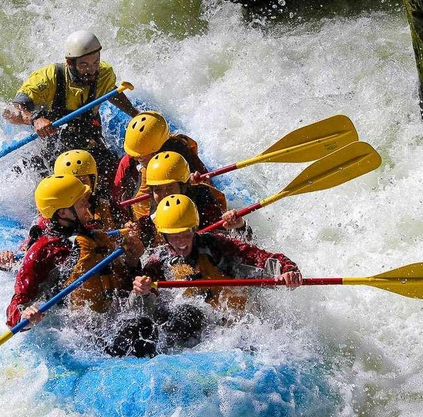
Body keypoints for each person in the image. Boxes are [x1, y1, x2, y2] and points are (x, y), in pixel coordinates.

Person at [111, 195, 301, 357]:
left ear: (194, 228)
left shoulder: (218, 245)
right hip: (195, 333)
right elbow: (134, 310)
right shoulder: (158, 261)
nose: (182, 242)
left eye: (186, 233)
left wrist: (287, 270)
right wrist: (140, 292)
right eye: (174, 236)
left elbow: (262, 257)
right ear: (164, 234)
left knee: (188, 314)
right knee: (180, 316)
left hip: (234, 328)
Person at [2, 30, 138, 190]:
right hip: (54, 149)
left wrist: (135, 115)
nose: (92, 70)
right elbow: (10, 111)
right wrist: (35, 119)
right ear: (69, 62)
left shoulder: (104, 74)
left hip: (89, 142)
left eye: (95, 63)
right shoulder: (47, 78)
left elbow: (111, 92)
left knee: (119, 180)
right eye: (84, 65)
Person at [5, 174, 143, 329]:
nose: (88, 207)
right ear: (63, 213)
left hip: (112, 318)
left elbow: (122, 281)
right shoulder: (41, 251)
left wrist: (133, 260)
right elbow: (16, 305)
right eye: (82, 203)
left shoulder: (95, 235)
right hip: (74, 330)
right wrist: (24, 317)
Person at [0, 149, 116, 271]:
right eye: (72, 183)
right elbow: (26, 255)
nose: (78, 188)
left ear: (93, 181)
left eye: (83, 181)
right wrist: (7, 262)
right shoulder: (51, 219)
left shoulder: (107, 206)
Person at [128, 151, 249, 250]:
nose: (165, 195)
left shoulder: (204, 206)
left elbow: (238, 246)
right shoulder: (152, 216)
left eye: (170, 187)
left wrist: (239, 227)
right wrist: (133, 235)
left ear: (183, 186)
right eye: (157, 189)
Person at [111, 111, 213, 222]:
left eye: (141, 155)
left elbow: (208, 186)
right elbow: (116, 195)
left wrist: (195, 184)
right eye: (135, 154)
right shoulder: (129, 160)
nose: (136, 158)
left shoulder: (183, 155)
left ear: (159, 148)